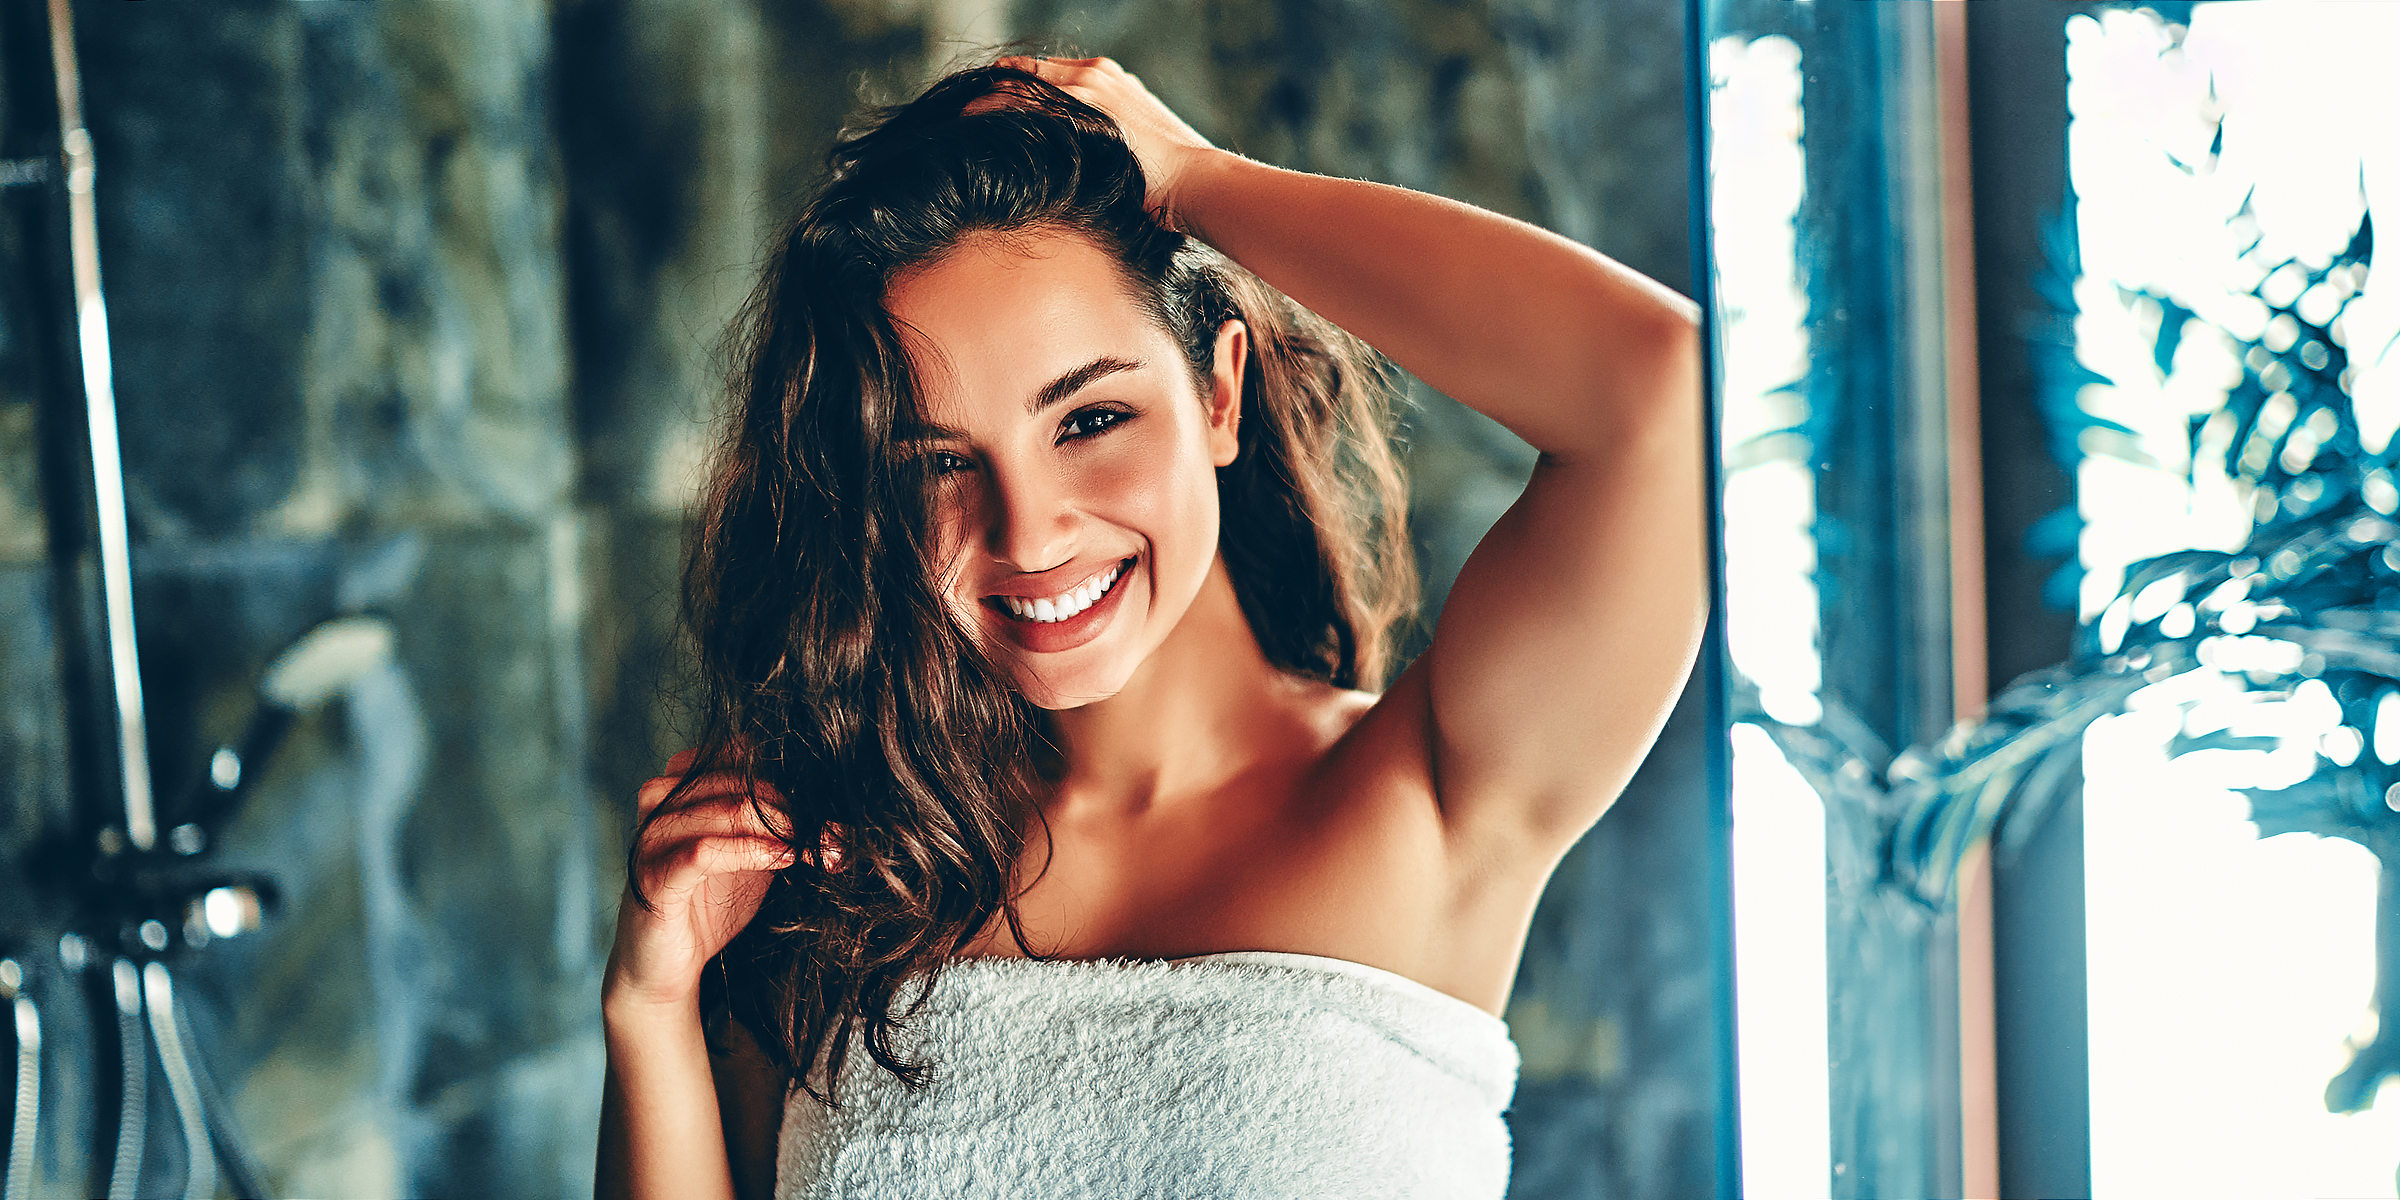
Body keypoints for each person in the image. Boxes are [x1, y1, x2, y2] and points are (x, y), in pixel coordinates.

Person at [595, 54, 1703, 1200]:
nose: (1027, 533)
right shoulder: (848, 867)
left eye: (1091, 417)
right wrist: (649, 1007)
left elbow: (1658, 393)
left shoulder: (1430, 797)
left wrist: (1192, 177)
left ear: (1221, 393)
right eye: (933, 464)